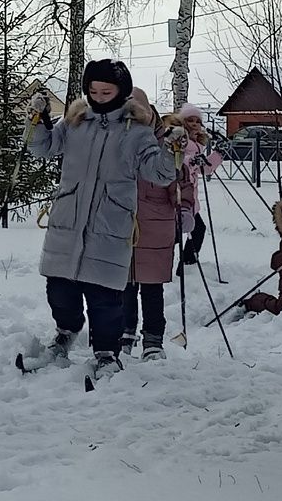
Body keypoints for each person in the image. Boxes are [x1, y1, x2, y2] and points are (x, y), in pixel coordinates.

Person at [26, 61, 181, 381]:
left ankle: (107, 353)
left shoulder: (137, 131)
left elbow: (160, 173)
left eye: (106, 91)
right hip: (68, 221)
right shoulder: (74, 122)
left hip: (109, 224)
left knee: (105, 297)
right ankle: (64, 335)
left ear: (121, 92)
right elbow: (43, 148)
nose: (98, 96)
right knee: (59, 289)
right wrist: (39, 121)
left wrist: (171, 150)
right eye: (93, 90)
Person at [121, 107, 197, 361]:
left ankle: (153, 340)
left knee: (152, 290)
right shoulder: (116, 146)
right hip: (120, 228)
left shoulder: (164, 148)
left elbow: (181, 182)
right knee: (123, 287)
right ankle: (125, 332)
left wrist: (184, 210)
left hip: (155, 230)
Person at [175, 104, 224, 275]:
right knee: (180, 232)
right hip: (177, 194)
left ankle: (187, 264)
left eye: (197, 121)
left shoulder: (197, 143)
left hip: (190, 196)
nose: (194, 124)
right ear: (183, 121)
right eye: (190, 120)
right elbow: (177, 161)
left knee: (195, 229)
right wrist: (192, 161)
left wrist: (218, 154)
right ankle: (185, 265)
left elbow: (205, 169)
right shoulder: (178, 138)